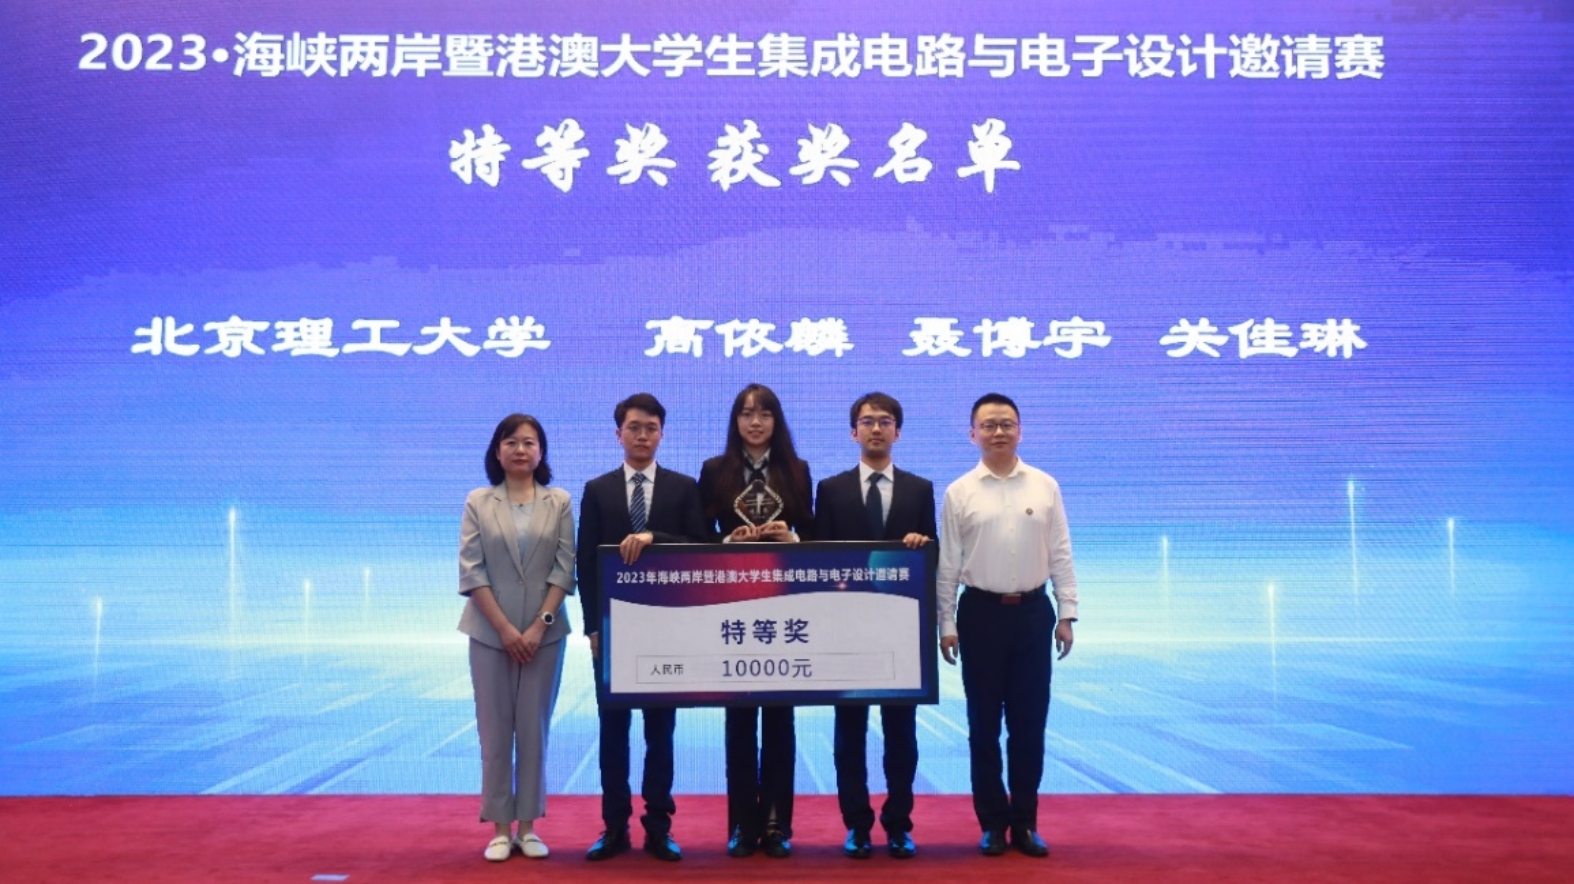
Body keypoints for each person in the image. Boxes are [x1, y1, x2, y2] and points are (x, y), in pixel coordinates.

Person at [935, 393, 1078, 859]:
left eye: (1007, 424)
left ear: (1020, 430)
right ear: (972, 433)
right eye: (989, 425)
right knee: (983, 727)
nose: (998, 432)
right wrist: (946, 622)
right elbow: (948, 564)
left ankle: (1026, 823)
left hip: (1034, 615)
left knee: (1029, 725)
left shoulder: (1044, 486)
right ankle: (992, 824)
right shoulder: (959, 492)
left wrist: (1067, 613)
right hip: (980, 615)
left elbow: (1061, 552)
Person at [577, 393, 709, 863]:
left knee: (661, 733)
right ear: (619, 434)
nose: (642, 435)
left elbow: (701, 545)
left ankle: (659, 827)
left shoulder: (683, 488)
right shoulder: (598, 490)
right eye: (634, 427)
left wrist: (655, 537)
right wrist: (592, 628)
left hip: (667, 628)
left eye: (651, 428)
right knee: (613, 732)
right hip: (613, 630)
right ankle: (614, 827)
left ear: (661, 434)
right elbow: (585, 562)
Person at [813, 392, 936, 860]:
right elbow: (818, 561)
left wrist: (923, 544)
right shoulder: (831, 490)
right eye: (867, 421)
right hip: (846, 630)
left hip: (901, 629)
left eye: (885, 421)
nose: (877, 429)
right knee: (849, 734)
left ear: (898, 432)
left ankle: (899, 824)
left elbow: (934, 556)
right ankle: (857, 825)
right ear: (853, 432)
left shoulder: (919, 489)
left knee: (901, 733)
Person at [697, 383, 814, 859]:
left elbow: (814, 532)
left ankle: (777, 825)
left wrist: (793, 537)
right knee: (739, 718)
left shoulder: (797, 470)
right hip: (733, 603)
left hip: (783, 606)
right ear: (735, 422)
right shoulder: (715, 470)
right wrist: (726, 542)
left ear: (776, 421)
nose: (755, 422)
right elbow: (698, 534)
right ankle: (743, 825)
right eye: (746, 414)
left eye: (764, 413)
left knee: (781, 719)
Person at [456, 414, 576, 863]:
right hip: (490, 634)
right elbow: (472, 571)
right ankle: (500, 829)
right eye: (511, 442)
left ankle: (528, 827)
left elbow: (564, 569)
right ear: (498, 451)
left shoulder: (559, 501)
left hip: (545, 636)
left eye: (529, 442)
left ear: (541, 452)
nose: (520, 450)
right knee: (494, 733)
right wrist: (506, 630)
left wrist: (538, 624)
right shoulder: (479, 501)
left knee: (533, 731)